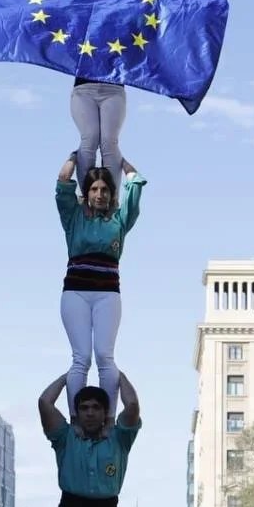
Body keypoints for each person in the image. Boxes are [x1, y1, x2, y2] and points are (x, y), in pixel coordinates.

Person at [55, 155, 145, 418]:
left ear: (111, 193)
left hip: (108, 295)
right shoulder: (74, 218)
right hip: (75, 293)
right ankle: (76, 420)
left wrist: (121, 162)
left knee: (105, 356)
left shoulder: (119, 220)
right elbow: (63, 181)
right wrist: (76, 156)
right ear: (87, 192)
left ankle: (107, 420)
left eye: (105, 189)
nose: (99, 194)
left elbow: (136, 185)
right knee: (81, 357)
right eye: (94, 189)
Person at [39, 372, 141, 507]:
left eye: (96, 407)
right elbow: (45, 403)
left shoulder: (119, 439)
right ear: (77, 412)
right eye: (84, 408)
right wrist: (71, 374)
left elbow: (132, 405)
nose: (90, 412)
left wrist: (116, 372)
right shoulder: (65, 438)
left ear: (106, 412)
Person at [69, 0, 127, 189]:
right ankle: (86, 196)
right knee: (90, 138)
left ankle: (111, 198)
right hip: (84, 89)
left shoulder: (123, 12)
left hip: (113, 87)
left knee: (109, 142)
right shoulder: (78, 11)